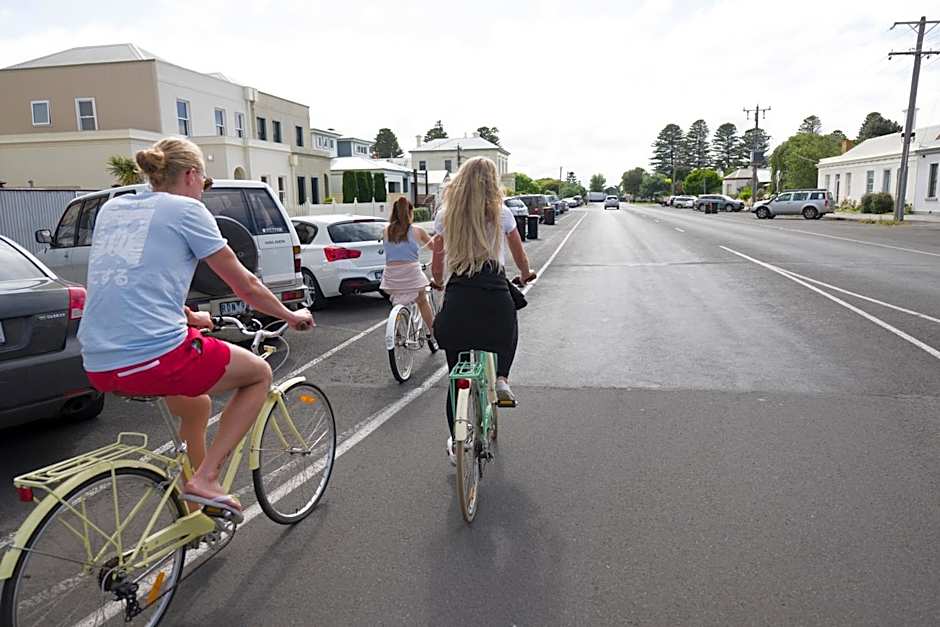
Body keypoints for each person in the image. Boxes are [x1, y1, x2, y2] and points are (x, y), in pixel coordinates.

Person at [78, 137, 313, 519]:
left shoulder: (113, 208)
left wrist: (187, 315)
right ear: (190, 175)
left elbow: (132, 278)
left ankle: (194, 509)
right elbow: (246, 286)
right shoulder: (187, 210)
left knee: (197, 405)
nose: (203, 191)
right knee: (258, 374)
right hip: (153, 355)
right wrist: (291, 316)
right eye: (204, 182)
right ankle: (207, 478)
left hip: (98, 361)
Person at [430, 157, 536, 463]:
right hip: (494, 296)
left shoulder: (445, 215)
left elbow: (438, 264)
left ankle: (456, 441)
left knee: (455, 375)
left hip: (459, 298)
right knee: (508, 325)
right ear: (493, 183)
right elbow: (520, 256)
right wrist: (526, 273)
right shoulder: (502, 213)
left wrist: (437, 282)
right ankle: (502, 377)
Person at [379, 197, 437, 351]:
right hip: (411, 273)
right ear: (410, 212)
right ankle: (434, 333)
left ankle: (398, 332)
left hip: (391, 276)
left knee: (397, 302)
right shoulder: (417, 231)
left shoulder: (386, 231)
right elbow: (434, 248)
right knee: (422, 301)